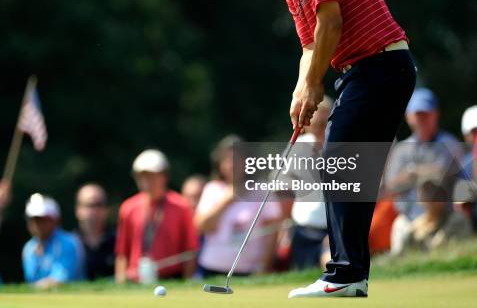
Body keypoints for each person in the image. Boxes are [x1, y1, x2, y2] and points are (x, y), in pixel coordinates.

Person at [218, 0, 417, 297]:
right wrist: (299, 90)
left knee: (339, 161)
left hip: (380, 64)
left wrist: (313, 85)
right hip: (365, 72)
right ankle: (351, 273)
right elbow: (310, 44)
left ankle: (346, 273)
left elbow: (332, 22)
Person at [195, 135, 282, 276]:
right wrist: (227, 199)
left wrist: (265, 266)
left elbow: (273, 232)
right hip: (211, 268)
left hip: (250, 270)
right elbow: (202, 226)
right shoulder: (212, 189)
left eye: (237, 159)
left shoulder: (262, 191)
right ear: (220, 164)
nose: (232, 164)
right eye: (227, 160)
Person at [115, 149, 199, 283]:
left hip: (172, 279)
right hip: (136, 280)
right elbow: (122, 252)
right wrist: (120, 282)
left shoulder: (181, 206)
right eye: (141, 176)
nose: (146, 181)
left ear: (164, 176)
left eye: (152, 175)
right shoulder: (128, 208)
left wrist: (187, 283)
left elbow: (190, 251)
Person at [385, 88, 462, 221]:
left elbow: (444, 174)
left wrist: (412, 172)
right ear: (408, 117)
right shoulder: (401, 149)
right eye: (417, 115)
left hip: (444, 217)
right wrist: (422, 172)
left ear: (436, 114)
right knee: (399, 228)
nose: (422, 119)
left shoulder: (450, 143)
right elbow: (391, 186)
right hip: (409, 219)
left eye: (426, 114)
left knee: (459, 221)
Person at [288, 97, 332, 270]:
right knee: (301, 275)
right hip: (302, 228)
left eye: (324, 116)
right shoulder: (298, 145)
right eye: (315, 116)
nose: (320, 121)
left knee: (330, 271)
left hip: (331, 230)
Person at [390, 173, 473, 255]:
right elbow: (404, 256)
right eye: (426, 194)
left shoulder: (457, 220)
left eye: (434, 194)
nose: (430, 198)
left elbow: (462, 249)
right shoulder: (415, 227)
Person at [22, 193, 86, 288]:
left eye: (43, 219)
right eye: (33, 219)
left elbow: (60, 280)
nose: (37, 224)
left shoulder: (69, 243)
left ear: (55, 220)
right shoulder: (28, 248)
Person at [74, 183, 116, 280]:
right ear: (78, 209)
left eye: (99, 205)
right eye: (89, 205)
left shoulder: (118, 240)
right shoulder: (68, 243)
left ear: (106, 209)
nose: (94, 211)